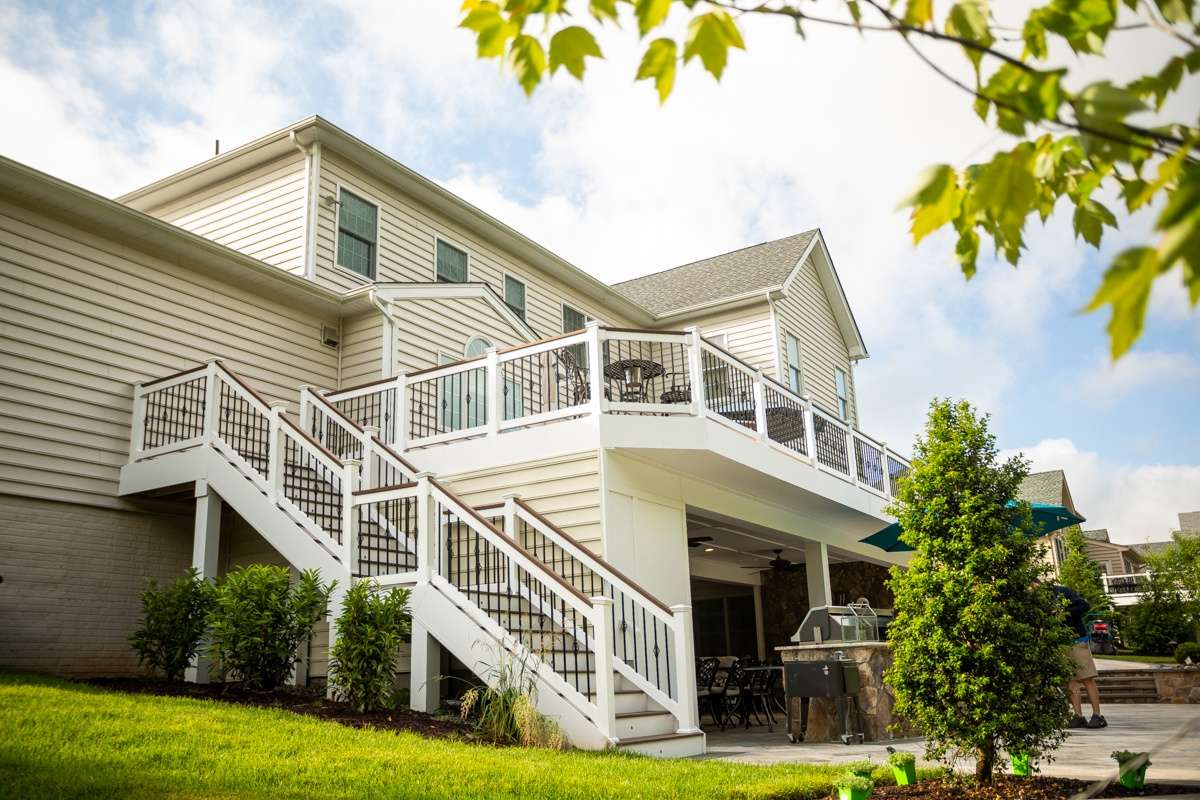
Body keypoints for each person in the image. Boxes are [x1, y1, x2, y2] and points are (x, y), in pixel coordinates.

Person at [1052, 584, 1107, 729]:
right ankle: (1078, 715)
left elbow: (1084, 605)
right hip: (1060, 642)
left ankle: (1098, 715)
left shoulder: (1062, 591)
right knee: (1070, 679)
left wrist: (1064, 612)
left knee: (1086, 677)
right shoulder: (1040, 600)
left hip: (1076, 640)